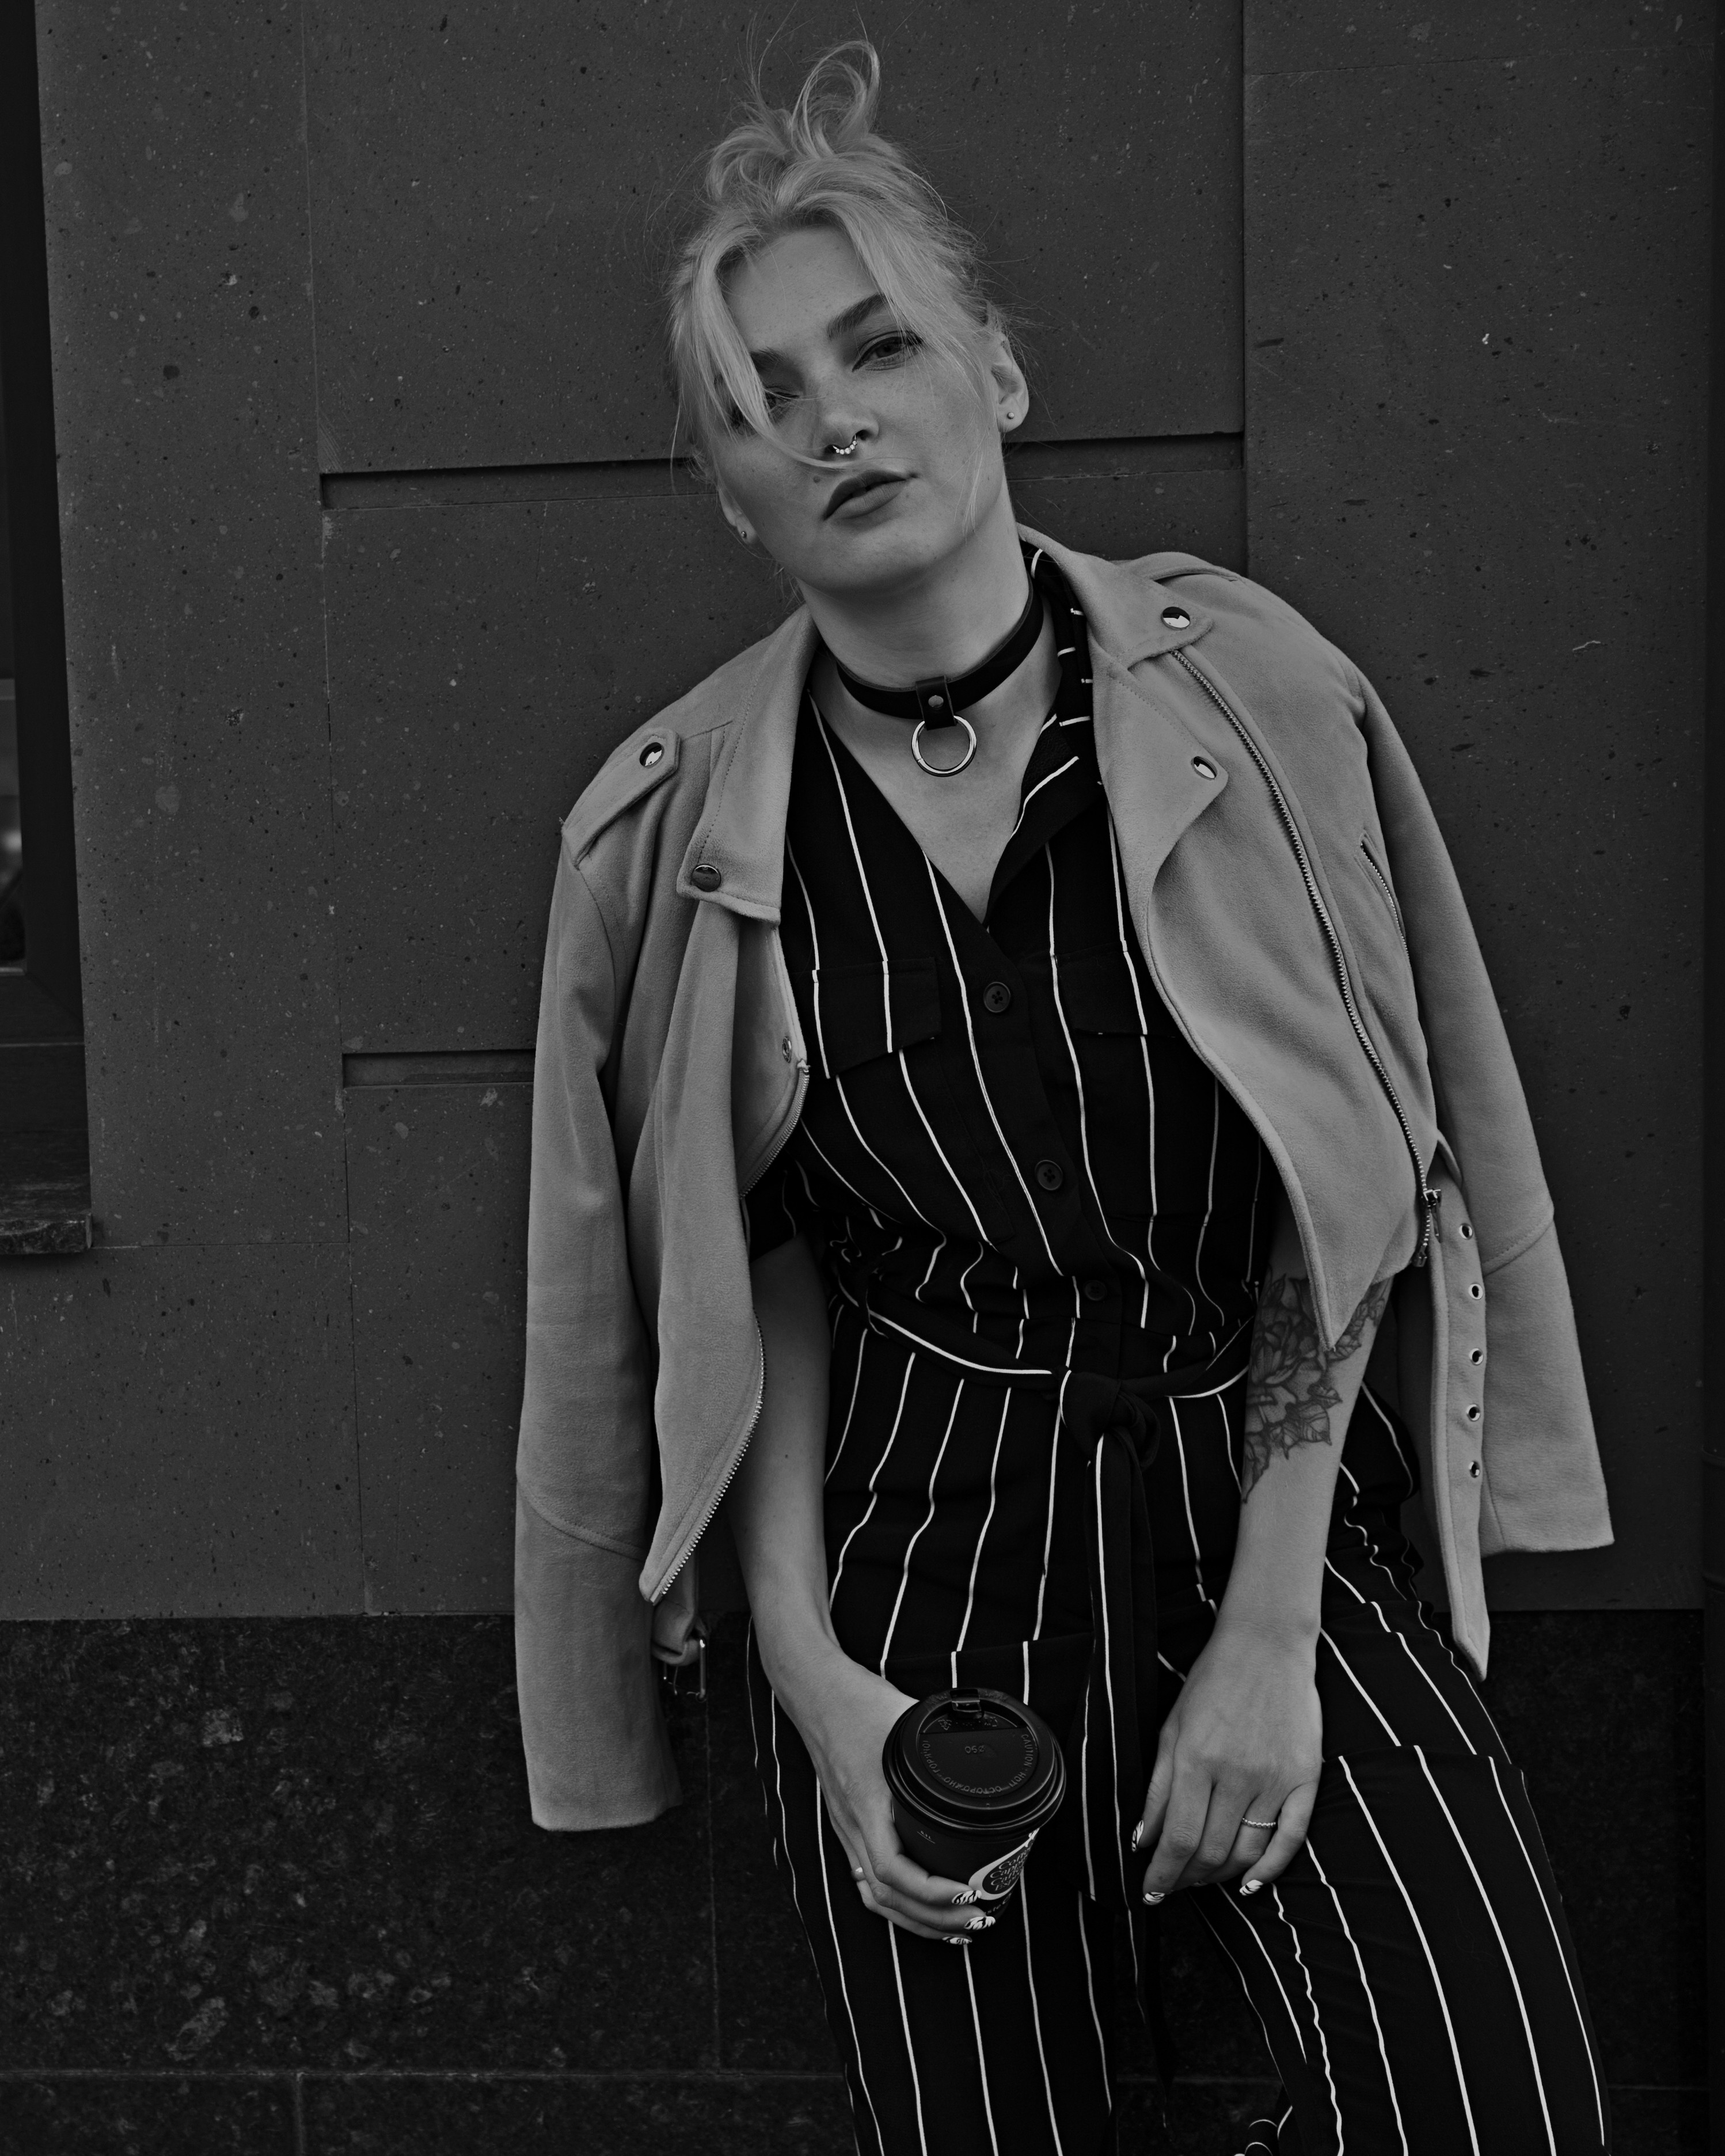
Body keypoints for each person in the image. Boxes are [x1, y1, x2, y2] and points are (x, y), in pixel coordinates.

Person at [513, 43, 1614, 2155]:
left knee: (1492, 2108)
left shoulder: (1249, 695)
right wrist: (815, 1684)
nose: (834, 418)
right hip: (919, 1574)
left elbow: (1343, 1186)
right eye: (761, 399)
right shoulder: (667, 836)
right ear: (729, 492)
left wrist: (1271, 1637)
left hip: (1264, 1500)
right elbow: (749, 1284)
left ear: (994, 376)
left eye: (879, 347)